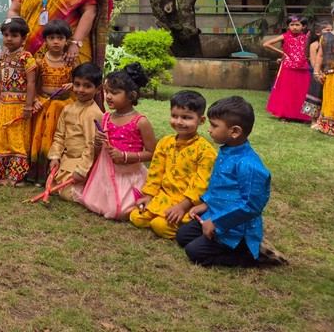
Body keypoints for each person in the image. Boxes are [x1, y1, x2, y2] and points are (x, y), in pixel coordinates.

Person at [176, 96, 272, 267]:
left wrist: (217, 222)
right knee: (182, 235)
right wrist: (205, 205)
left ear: (234, 131)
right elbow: (219, 187)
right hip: (214, 214)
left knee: (194, 252)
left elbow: (251, 206)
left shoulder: (249, 165)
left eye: (214, 125)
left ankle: (248, 256)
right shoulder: (227, 150)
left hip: (235, 227)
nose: (209, 130)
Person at [130, 90, 217, 239]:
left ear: (201, 120)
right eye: (174, 116)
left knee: (160, 225)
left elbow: (201, 184)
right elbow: (156, 170)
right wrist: (149, 195)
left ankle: (186, 227)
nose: (179, 122)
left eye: (186, 117)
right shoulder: (165, 142)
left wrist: (182, 207)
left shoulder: (205, 151)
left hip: (186, 202)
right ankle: (160, 215)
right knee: (136, 217)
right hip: (164, 196)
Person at [77, 63, 157, 220]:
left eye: (114, 93)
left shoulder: (140, 121)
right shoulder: (106, 118)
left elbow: (152, 153)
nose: (108, 96)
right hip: (105, 175)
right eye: (106, 92)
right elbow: (98, 152)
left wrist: (125, 156)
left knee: (119, 212)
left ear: (132, 96)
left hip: (130, 175)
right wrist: (97, 142)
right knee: (90, 201)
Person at [0, 17, 37, 186]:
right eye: (5, 35)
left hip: (20, 107)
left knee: (17, 139)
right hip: (4, 105)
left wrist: (28, 105)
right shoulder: (3, 58)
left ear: (24, 38)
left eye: (14, 35)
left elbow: (32, 83)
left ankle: (16, 176)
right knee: (0, 137)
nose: (9, 39)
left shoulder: (26, 58)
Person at [27, 19, 76, 185]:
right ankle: (39, 175)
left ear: (66, 40)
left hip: (64, 106)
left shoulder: (71, 62)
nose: (56, 41)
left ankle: (59, 174)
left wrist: (73, 85)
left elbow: (81, 82)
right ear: (45, 40)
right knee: (41, 139)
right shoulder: (39, 62)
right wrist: (34, 100)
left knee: (60, 138)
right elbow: (33, 84)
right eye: (51, 38)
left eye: (60, 38)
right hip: (44, 105)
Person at [47, 62, 103, 201]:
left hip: (82, 161)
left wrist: (81, 170)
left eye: (87, 86)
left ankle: (91, 184)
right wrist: (55, 157)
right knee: (51, 188)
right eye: (77, 84)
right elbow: (59, 136)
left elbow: (91, 146)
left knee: (67, 195)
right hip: (67, 159)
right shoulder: (68, 109)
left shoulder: (93, 113)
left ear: (98, 89)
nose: (81, 89)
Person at [264, 15, 310, 123]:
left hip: (302, 67)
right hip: (287, 68)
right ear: (288, 26)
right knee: (286, 91)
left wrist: (308, 56)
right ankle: (283, 115)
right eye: (291, 25)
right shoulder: (285, 36)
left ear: (303, 26)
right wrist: (282, 53)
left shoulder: (306, 38)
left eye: (297, 25)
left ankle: (301, 116)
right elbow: (266, 44)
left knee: (302, 92)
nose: (294, 27)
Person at [302, 20, 331, 129]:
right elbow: (314, 62)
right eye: (327, 30)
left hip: (330, 74)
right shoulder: (314, 45)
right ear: (318, 32)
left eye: (331, 30)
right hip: (318, 74)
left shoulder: (332, 43)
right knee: (315, 96)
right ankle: (313, 121)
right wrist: (318, 73)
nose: (330, 32)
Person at [315, 6, 334, 136]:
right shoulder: (326, 36)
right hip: (332, 75)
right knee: (331, 99)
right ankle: (330, 126)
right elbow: (320, 55)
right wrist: (316, 72)